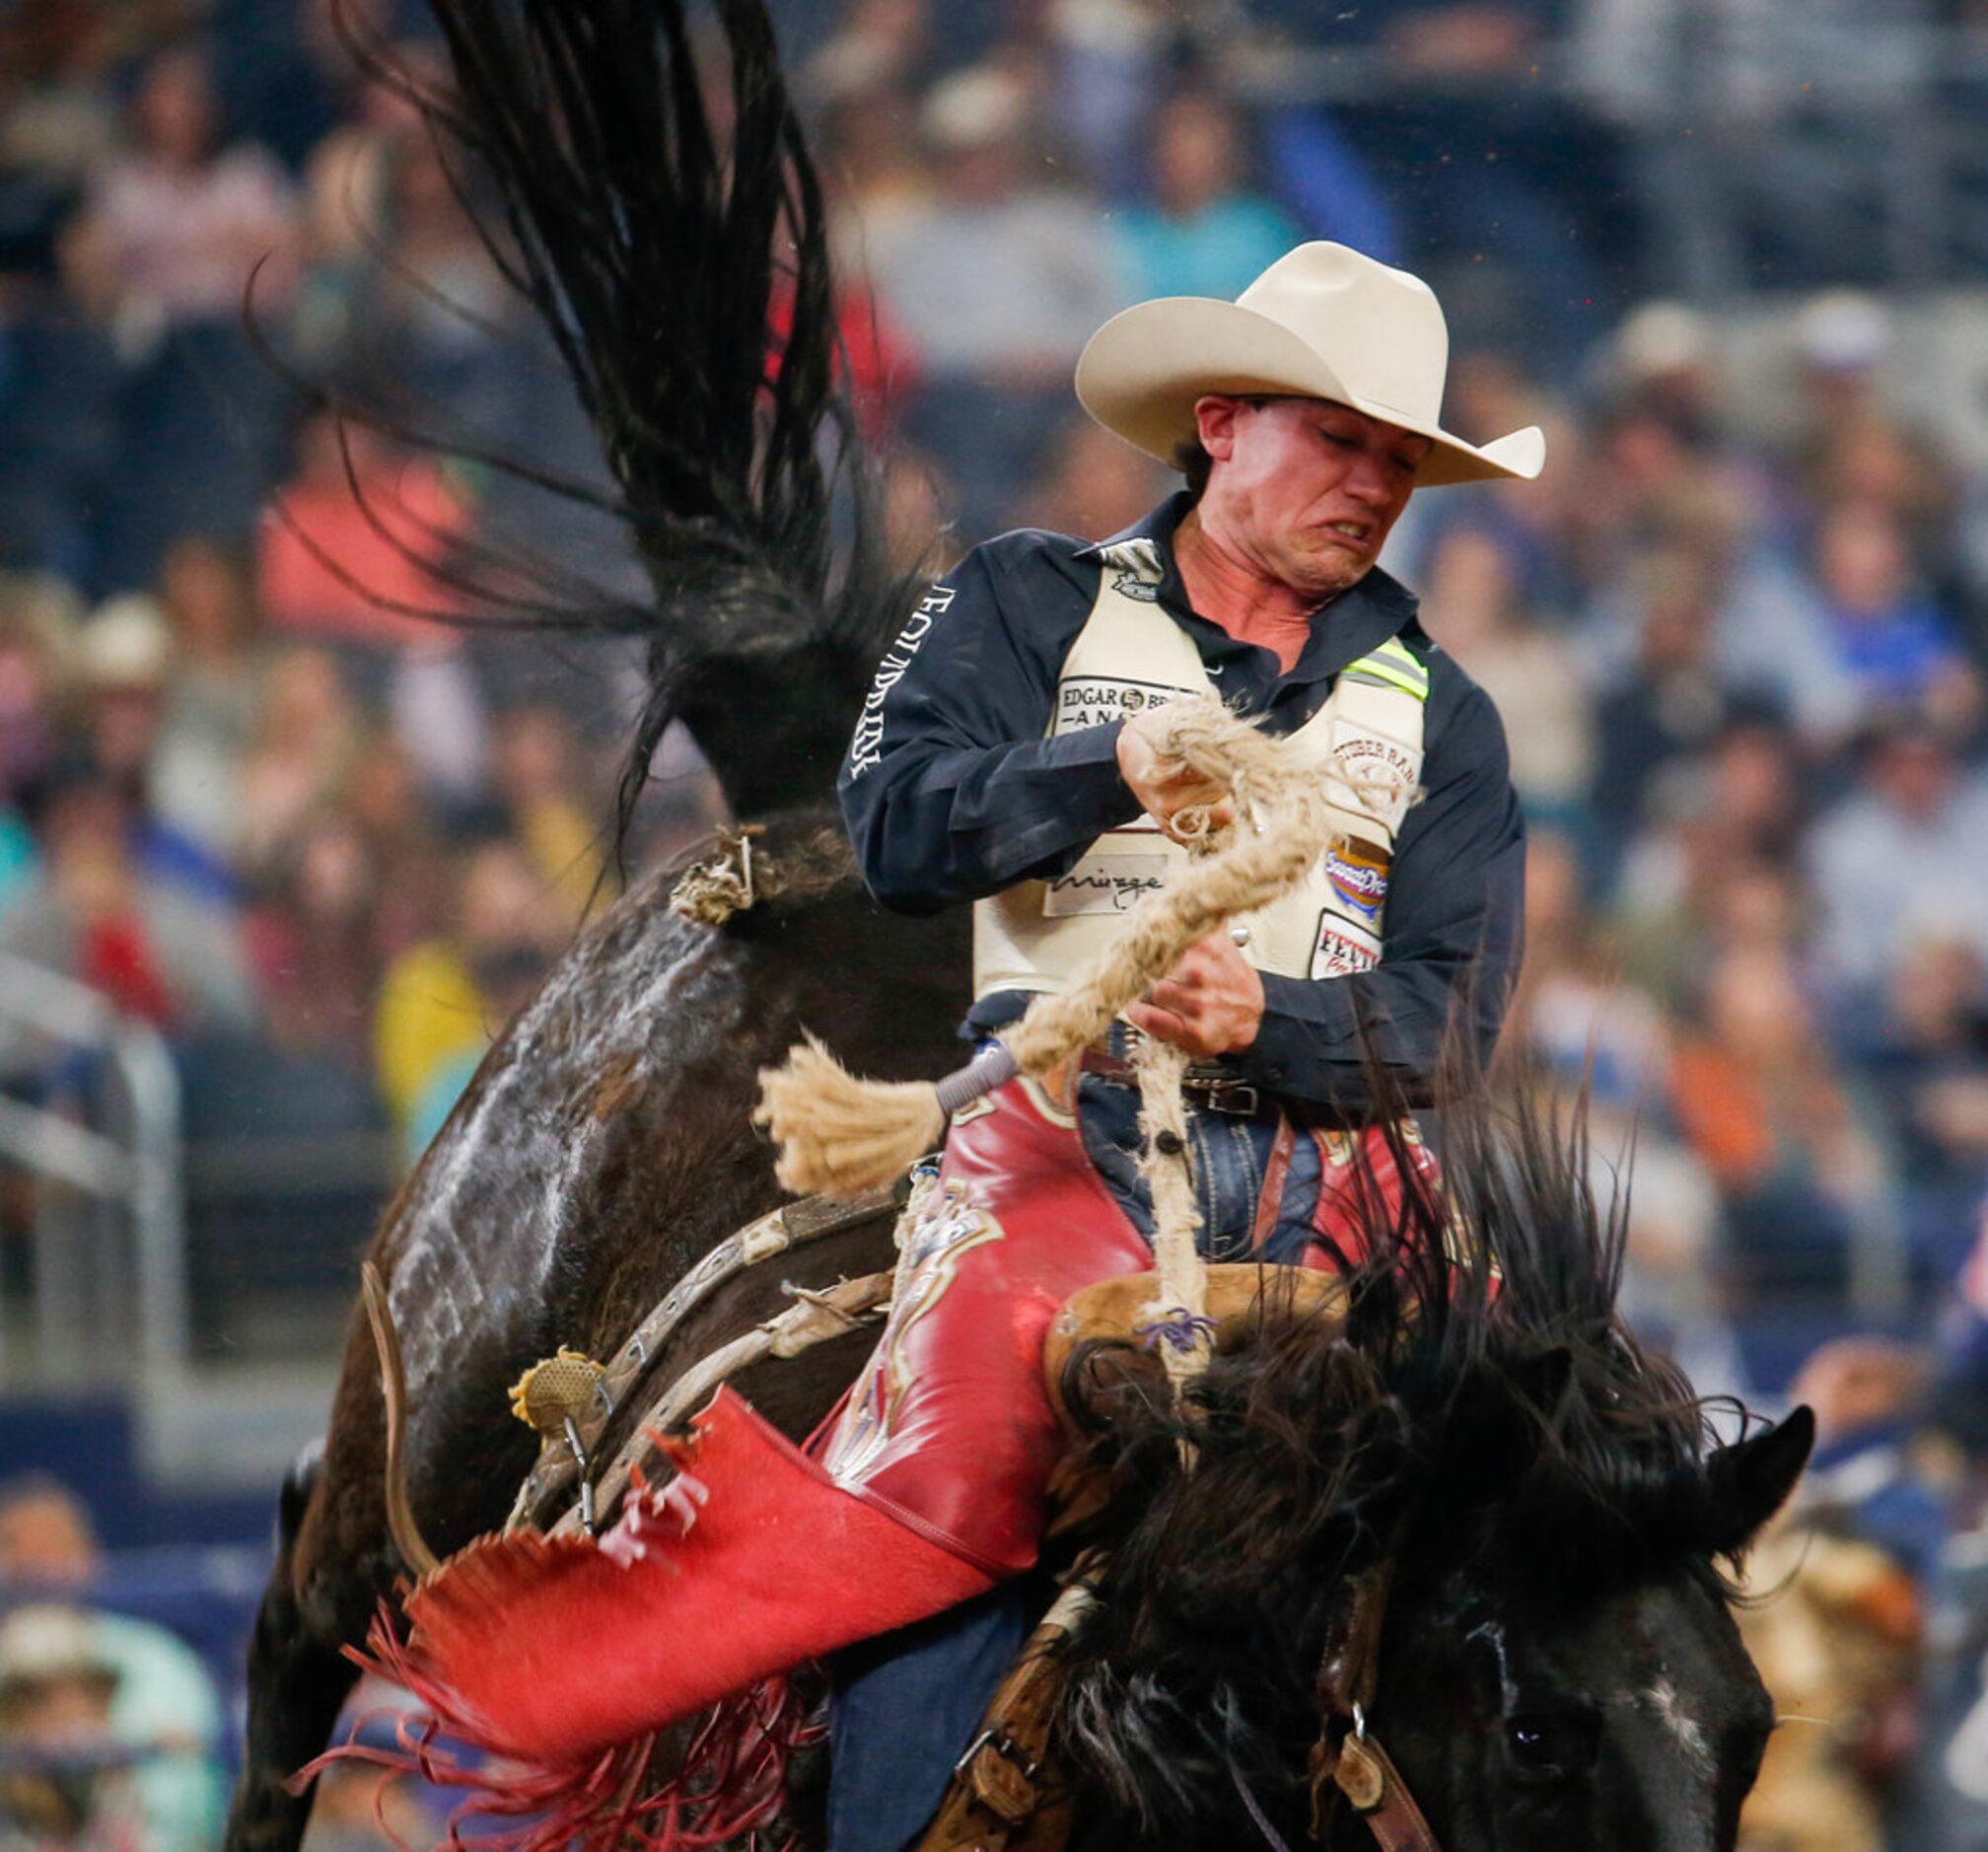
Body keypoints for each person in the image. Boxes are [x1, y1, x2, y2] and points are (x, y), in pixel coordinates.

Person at [826, 240, 1543, 1848]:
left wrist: (1265, 1020)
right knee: (953, 1472)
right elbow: (890, 828)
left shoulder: (1445, 712)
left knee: (1529, 1464)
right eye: (1337, 440)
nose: (1373, 486)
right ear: (1219, 424)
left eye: (1399, 461)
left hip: (1340, 1169)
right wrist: (1105, 765)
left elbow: (1451, 1018)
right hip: (1051, 1137)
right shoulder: (1027, 598)